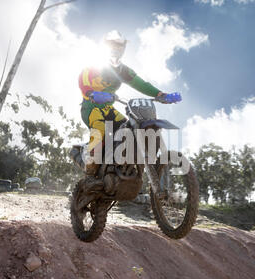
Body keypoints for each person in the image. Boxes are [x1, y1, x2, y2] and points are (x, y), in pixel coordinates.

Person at [77, 30, 181, 175]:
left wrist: (161, 95)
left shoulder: (123, 71)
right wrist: (91, 93)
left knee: (128, 128)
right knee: (101, 130)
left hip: (108, 108)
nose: (115, 49)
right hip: (91, 108)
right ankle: (90, 159)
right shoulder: (94, 67)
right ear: (105, 47)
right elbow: (84, 81)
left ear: (123, 50)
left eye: (119, 47)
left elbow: (141, 84)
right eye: (112, 46)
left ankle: (121, 167)